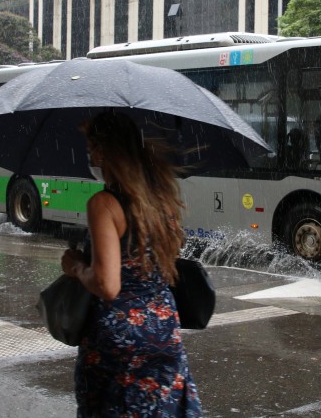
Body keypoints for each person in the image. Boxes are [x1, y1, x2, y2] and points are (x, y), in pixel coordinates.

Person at [61, 112, 202, 417]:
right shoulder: (161, 197)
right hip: (164, 328)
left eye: (91, 147)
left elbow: (108, 285)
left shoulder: (104, 204)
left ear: (104, 150)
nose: (90, 154)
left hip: (120, 339)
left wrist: (76, 267)